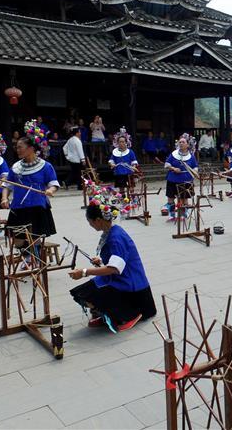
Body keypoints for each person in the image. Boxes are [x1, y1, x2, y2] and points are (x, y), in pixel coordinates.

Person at [68, 200, 157, 333]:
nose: (90, 225)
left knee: (86, 294)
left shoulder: (115, 238)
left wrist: (85, 272)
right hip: (121, 277)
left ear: (98, 220)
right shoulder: (113, 231)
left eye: (90, 222)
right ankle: (107, 314)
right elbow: (116, 261)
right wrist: (101, 261)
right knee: (81, 292)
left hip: (130, 282)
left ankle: (131, 314)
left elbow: (114, 268)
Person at [0, 122, 59, 260]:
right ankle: (27, 257)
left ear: (31, 148)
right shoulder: (15, 166)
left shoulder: (45, 166)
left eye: (20, 147)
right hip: (18, 206)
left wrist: (50, 190)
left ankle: (35, 262)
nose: (18, 150)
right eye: (17, 147)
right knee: (18, 239)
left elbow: (53, 183)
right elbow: (7, 185)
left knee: (35, 236)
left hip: (37, 206)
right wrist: (4, 198)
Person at [163, 134, 197, 221]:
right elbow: (166, 164)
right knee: (170, 198)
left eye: (183, 142)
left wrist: (194, 172)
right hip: (172, 179)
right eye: (180, 142)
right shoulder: (173, 154)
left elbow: (195, 167)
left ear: (187, 145)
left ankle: (183, 214)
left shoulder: (191, 157)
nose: (181, 143)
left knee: (184, 198)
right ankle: (172, 214)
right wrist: (173, 168)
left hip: (186, 180)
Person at [108, 128, 138, 193]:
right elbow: (111, 161)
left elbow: (134, 162)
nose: (121, 143)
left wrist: (134, 167)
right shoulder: (115, 152)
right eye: (120, 142)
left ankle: (132, 201)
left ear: (126, 142)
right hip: (119, 172)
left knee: (131, 189)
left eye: (123, 142)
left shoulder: (130, 151)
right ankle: (123, 200)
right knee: (121, 189)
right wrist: (112, 164)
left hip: (129, 172)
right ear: (117, 143)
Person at [63, 126, 86, 191]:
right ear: (77, 133)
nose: (80, 133)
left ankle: (70, 183)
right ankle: (79, 185)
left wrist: (66, 155)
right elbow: (80, 150)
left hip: (71, 159)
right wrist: (83, 159)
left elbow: (64, 148)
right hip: (77, 160)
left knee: (75, 172)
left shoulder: (70, 139)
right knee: (79, 173)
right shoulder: (77, 141)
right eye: (79, 132)